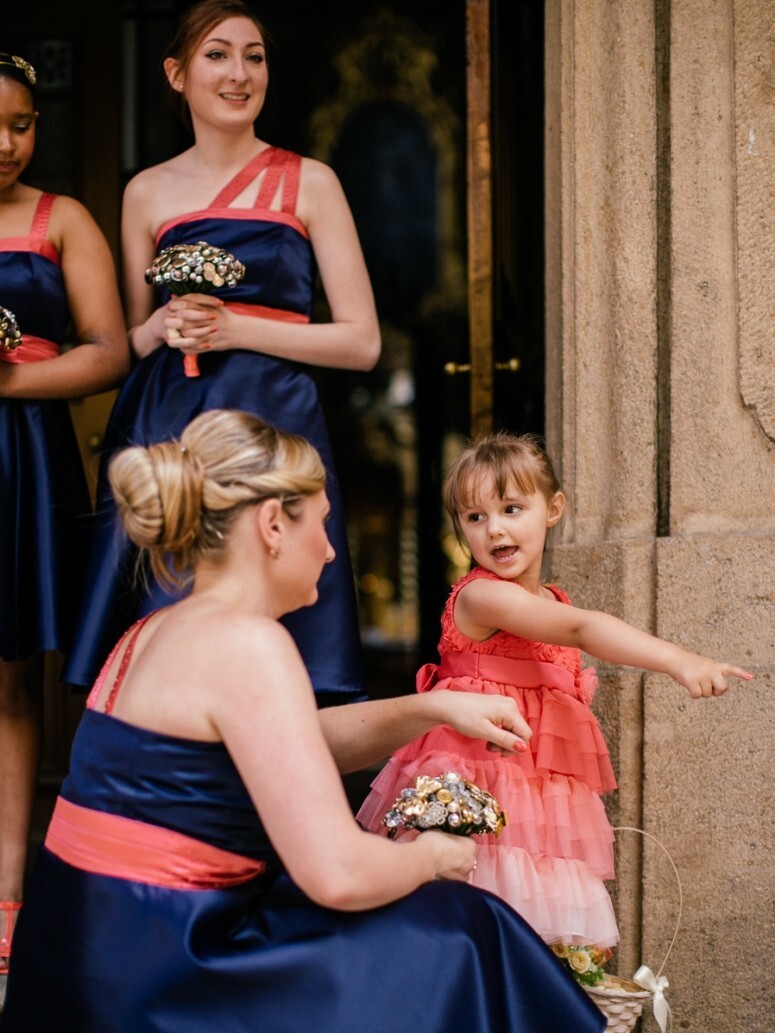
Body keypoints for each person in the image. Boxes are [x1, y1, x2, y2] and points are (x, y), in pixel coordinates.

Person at [3, 409, 605, 1032]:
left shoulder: (152, 630)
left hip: (77, 955)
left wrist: (434, 707)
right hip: (168, 974)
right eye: (321, 524)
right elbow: (339, 875)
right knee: (467, 928)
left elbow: (280, 746)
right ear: (272, 526)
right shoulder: (248, 642)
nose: (329, 549)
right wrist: (432, 856)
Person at [63, 0, 380, 706]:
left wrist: (237, 330)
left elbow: (362, 342)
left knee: (283, 622)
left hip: (276, 427)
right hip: (168, 419)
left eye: (254, 56)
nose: (239, 73)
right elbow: (130, 340)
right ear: (176, 74)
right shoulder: (145, 191)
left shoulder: (312, 181)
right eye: (217, 55)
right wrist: (167, 327)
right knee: (165, 616)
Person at [357, 431, 752, 954]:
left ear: (553, 509)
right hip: (481, 786)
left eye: (512, 508)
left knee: (542, 928)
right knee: (478, 919)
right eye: (475, 518)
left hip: (541, 802)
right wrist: (677, 660)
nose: (494, 528)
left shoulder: (551, 600)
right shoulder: (481, 597)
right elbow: (579, 629)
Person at [0, 53, 128, 974]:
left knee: (12, 677)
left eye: (21, 124)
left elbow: (110, 353)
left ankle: (6, 893)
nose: (6, 143)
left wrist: (10, 380)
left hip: (21, 459)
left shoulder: (64, 220)